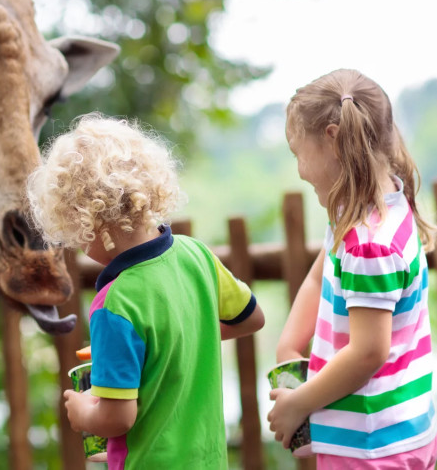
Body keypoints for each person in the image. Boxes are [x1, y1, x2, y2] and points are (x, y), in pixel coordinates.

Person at [27, 113, 265, 469]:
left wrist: (81, 414)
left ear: (90, 222)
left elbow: (117, 418)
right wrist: (166, 346)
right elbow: (252, 319)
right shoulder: (196, 254)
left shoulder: (115, 304)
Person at [268, 69, 437, 468]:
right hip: (398, 432)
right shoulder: (372, 207)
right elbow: (319, 274)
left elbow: (368, 351)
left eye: (299, 154)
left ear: (331, 139)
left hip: (372, 449)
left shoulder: (368, 244)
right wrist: (288, 346)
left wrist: (298, 403)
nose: (299, 170)